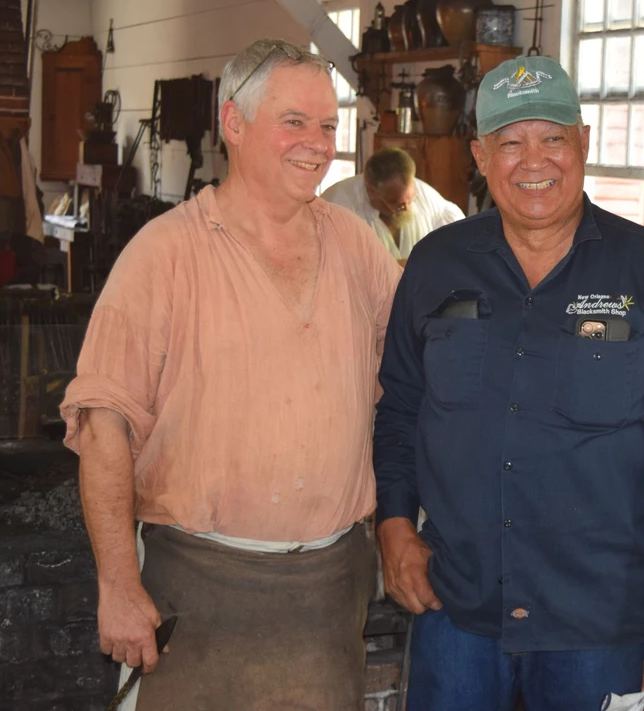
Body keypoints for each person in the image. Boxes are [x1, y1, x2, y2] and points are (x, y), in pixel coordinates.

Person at [373, 55, 644, 711]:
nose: (532, 161)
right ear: (481, 154)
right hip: (458, 608)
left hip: (603, 626)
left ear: (584, 143)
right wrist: (394, 522)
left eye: (552, 139)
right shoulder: (435, 264)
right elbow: (399, 407)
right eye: (510, 142)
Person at [59, 38, 401, 711]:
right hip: (198, 586)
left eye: (329, 125)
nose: (318, 143)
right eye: (294, 122)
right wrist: (120, 585)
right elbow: (103, 428)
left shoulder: (359, 246)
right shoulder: (163, 255)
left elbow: (418, 374)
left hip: (328, 592)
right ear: (234, 124)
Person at [320, 147, 464, 263]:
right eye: (396, 203)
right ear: (371, 190)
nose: (407, 208)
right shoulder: (337, 203)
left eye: (410, 199)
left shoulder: (427, 197)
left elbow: (460, 237)